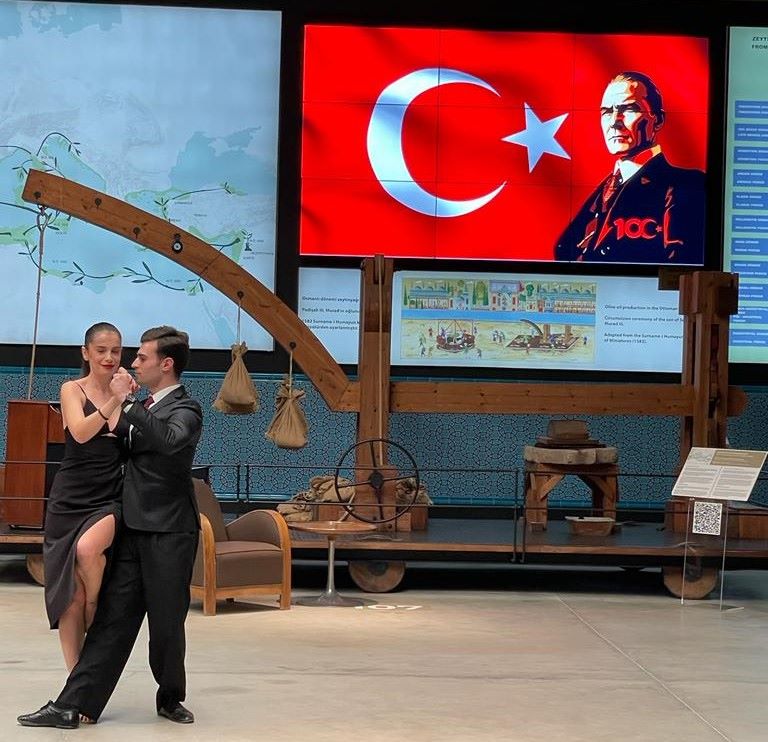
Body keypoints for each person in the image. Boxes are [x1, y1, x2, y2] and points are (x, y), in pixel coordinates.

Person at [18, 326, 203, 729]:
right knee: (112, 620)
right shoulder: (140, 404)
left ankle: (170, 697)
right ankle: (72, 704)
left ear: (166, 364)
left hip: (169, 531)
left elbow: (168, 441)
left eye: (141, 357)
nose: (131, 362)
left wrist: (126, 403)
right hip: (131, 525)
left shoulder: (186, 409)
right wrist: (120, 404)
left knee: (167, 623)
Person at [43, 322, 128, 672]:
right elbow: (79, 433)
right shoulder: (72, 389)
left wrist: (122, 398)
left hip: (110, 495)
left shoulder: (126, 392)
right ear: (86, 353)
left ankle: (96, 603)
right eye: (101, 350)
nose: (109, 357)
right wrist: (114, 400)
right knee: (70, 595)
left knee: (88, 550)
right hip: (69, 498)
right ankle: (75, 680)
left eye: (116, 351)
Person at [554, 71, 705, 264]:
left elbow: (680, 268)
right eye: (607, 112)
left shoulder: (685, 185)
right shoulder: (606, 188)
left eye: (629, 109)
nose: (614, 122)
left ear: (657, 120)